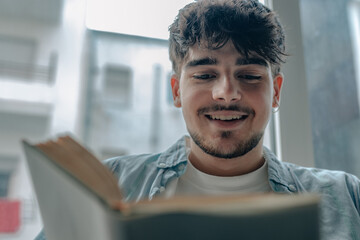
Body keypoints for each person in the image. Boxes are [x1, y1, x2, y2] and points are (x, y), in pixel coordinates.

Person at [35, 0, 360, 239]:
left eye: (248, 75)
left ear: (275, 93)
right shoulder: (109, 185)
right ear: (176, 91)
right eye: (205, 74)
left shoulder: (348, 196)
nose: (227, 93)